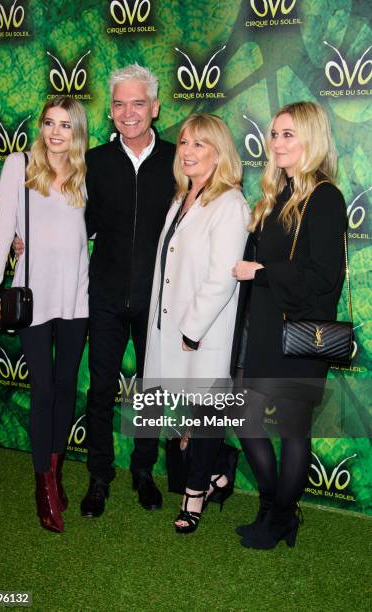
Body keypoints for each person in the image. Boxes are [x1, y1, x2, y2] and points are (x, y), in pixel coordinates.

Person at [231, 101, 347, 549]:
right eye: (274, 134)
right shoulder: (276, 194)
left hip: (300, 335)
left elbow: (323, 277)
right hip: (263, 332)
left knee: (293, 432)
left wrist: (260, 272)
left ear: (311, 140)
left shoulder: (324, 198)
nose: (276, 142)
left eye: (288, 134)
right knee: (246, 420)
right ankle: (270, 505)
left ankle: (282, 517)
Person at [0, 96, 89, 533]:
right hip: (32, 297)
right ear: (41, 126)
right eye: (49, 123)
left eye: (65, 125)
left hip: (77, 297)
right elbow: (2, 229)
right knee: (42, 391)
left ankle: (56, 469)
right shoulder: (19, 163)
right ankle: (43, 486)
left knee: (66, 388)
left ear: (77, 131)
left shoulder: (86, 173)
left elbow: (88, 228)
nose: (56, 132)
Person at [143, 113, 250, 533]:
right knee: (193, 411)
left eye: (199, 144)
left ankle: (194, 496)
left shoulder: (230, 203)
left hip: (203, 332)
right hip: (173, 328)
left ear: (219, 152)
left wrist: (192, 329)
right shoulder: (181, 199)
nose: (187, 151)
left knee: (206, 413)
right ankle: (220, 471)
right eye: (185, 142)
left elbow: (222, 274)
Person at [80, 64, 176, 518]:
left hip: (157, 302)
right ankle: (99, 477)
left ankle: (143, 471)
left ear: (155, 108)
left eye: (138, 103)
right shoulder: (94, 162)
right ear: (111, 111)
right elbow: (77, 223)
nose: (128, 112)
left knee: (152, 392)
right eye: (119, 104)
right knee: (100, 390)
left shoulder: (179, 161)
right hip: (103, 297)